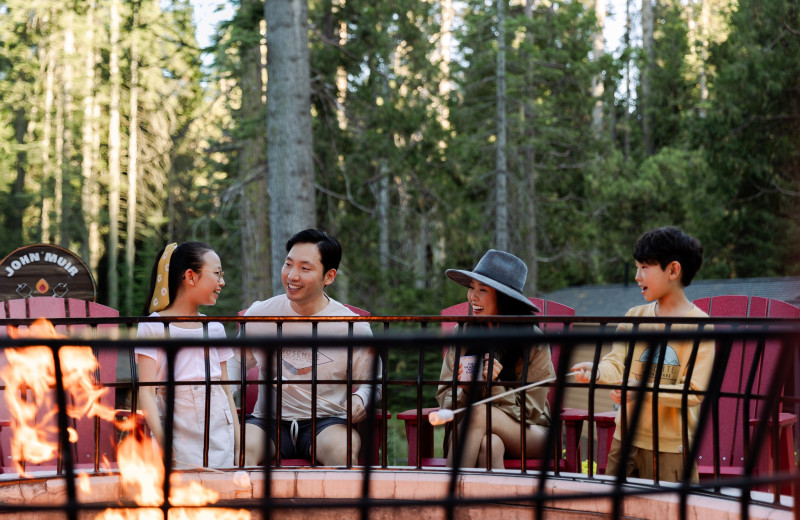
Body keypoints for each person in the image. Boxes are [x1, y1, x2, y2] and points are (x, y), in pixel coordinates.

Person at [571, 226, 714, 483]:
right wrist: (599, 371)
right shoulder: (633, 318)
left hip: (672, 448)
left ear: (673, 270)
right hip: (624, 439)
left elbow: (694, 391)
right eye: (636, 267)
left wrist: (640, 389)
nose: (637, 276)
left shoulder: (700, 326)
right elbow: (615, 362)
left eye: (644, 267)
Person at [242, 229, 379, 466]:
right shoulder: (260, 314)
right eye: (288, 265)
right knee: (242, 447)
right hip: (268, 420)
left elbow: (373, 381)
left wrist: (360, 399)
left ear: (329, 276)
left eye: (305, 269)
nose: (292, 275)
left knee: (342, 450)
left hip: (327, 421)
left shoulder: (351, 326)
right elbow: (236, 361)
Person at [435, 249, 554, 469]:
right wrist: (466, 389)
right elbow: (444, 396)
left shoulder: (533, 341)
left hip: (529, 432)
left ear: (505, 298)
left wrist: (497, 388)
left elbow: (532, 412)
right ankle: (493, 504)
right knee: (490, 445)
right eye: (471, 288)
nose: (473, 297)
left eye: (482, 290)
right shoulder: (462, 333)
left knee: (479, 413)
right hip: (472, 432)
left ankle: (447, 498)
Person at [135, 241, 239, 468]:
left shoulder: (214, 328)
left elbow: (225, 387)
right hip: (175, 428)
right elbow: (146, 393)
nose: (222, 282)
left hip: (219, 430)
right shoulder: (152, 327)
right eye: (217, 274)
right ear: (190, 277)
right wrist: (163, 442)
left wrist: (237, 438)